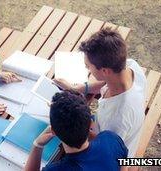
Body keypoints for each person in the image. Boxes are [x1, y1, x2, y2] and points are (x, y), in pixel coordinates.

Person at [53, 28, 147, 157]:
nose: (87, 69)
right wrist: (78, 89)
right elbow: (105, 83)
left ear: (105, 71)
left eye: (88, 66)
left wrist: (69, 124)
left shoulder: (117, 118)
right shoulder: (130, 67)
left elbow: (105, 148)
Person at [25, 91, 128, 171]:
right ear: (90, 123)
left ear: (53, 131)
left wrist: (37, 145)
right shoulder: (111, 139)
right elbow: (125, 163)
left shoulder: (56, 169)